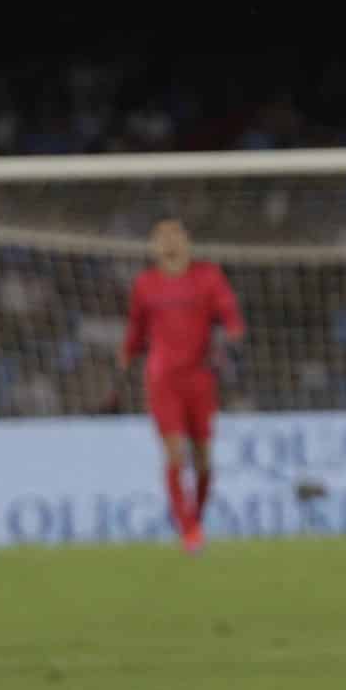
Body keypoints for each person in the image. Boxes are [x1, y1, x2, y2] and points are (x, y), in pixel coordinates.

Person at [119, 218, 244, 554]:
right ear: (154, 246)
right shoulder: (145, 284)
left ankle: (195, 521)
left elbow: (229, 312)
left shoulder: (208, 277)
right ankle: (189, 531)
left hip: (200, 378)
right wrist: (126, 356)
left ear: (187, 242)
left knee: (203, 460)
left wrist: (233, 333)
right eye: (162, 237)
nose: (170, 242)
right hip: (163, 379)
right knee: (175, 452)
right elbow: (136, 329)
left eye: (175, 236)